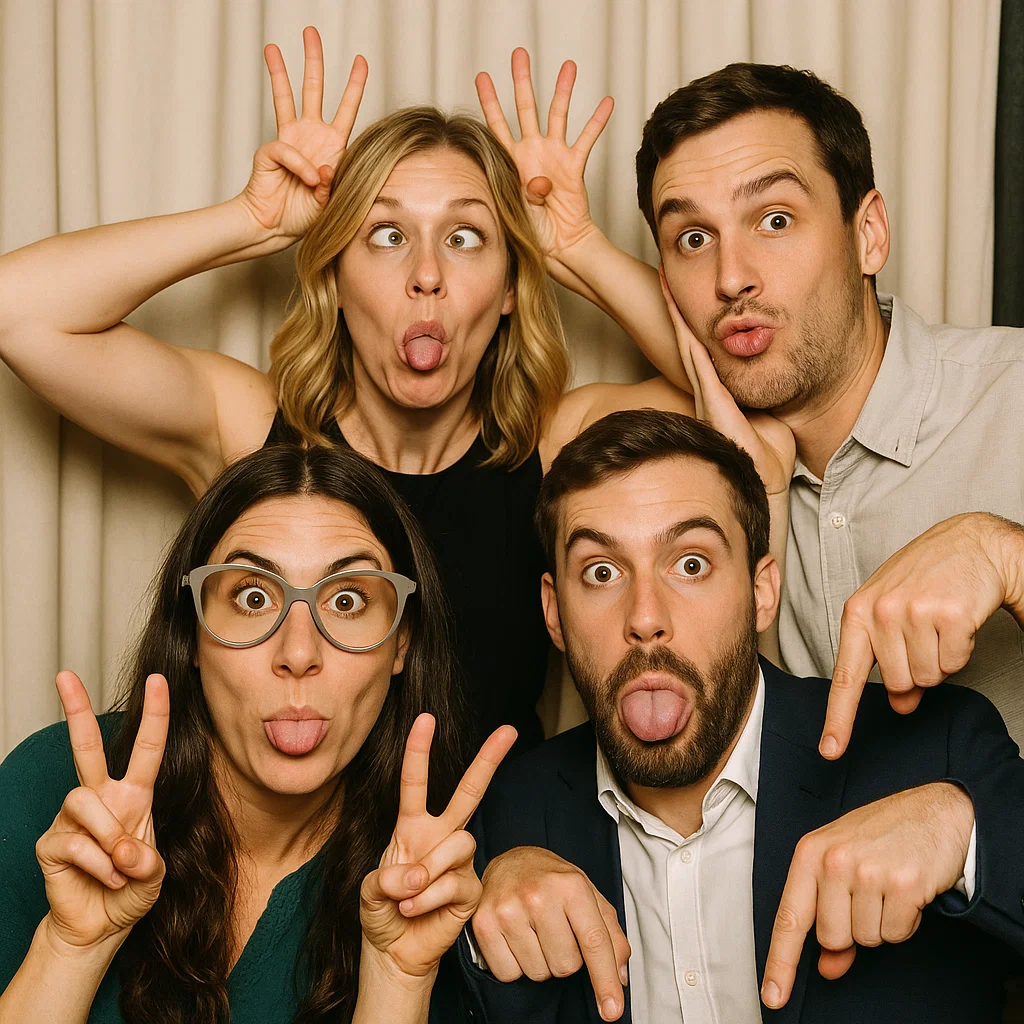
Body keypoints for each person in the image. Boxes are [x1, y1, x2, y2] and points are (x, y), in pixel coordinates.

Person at [0, 28, 765, 752]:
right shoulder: (253, 432)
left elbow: (743, 400)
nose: (426, 274)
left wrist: (577, 249)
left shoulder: (558, 446)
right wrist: (253, 222)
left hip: (496, 845)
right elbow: (18, 311)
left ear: (509, 287)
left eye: (465, 238)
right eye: (387, 235)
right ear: (335, 276)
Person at [475, 53, 1024, 753]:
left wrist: (1005, 556)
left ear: (868, 234)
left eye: (774, 219)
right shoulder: (696, 466)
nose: (731, 277)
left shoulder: (1009, 395)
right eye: (693, 239)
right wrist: (576, 247)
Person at [457, 410, 1024, 1024]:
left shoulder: (934, 750)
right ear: (553, 613)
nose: (645, 618)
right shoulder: (500, 821)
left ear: (761, 592)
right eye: (602, 572)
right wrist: (475, 932)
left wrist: (966, 837)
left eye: (691, 564)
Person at [0, 442, 516, 1023]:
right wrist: (71, 945)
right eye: (253, 597)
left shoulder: (441, 865)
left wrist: (398, 976)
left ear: (401, 642)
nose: (298, 652)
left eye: (347, 600)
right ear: (193, 633)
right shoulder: (51, 791)